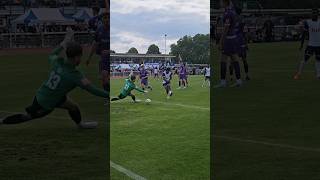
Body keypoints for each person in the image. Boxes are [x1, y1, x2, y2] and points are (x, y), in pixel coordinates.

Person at [0, 30, 109, 129]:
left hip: (54, 96)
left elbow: (52, 54)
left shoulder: (58, 63)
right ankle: (2, 121)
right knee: (27, 117)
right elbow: (93, 90)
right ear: (76, 57)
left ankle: (80, 125)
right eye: (80, 56)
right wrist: (110, 95)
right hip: (45, 101)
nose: (81, 59)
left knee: (73, 107)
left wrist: (64, 42)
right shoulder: (74, 76)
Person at [214, 0, 242, 88]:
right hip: (233, 38)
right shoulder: (231, 12)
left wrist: (221, 41)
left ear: (224, 2)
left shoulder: (228, 13)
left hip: (228, 39)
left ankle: (223, 82)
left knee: (223, 59)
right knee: (235, 59)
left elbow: (226, 28)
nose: (220, 3)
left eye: (221, 1)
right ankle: (238, 81)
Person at [87, 13, 110, 99]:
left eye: (108, 18)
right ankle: (108, 96)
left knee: (108, 78)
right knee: (104, 77)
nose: (106, 20)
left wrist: (109, 51)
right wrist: (89, 57)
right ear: (102, 20)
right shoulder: (99, 30)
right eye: (105, 18)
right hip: (104, 58)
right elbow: (95, 44)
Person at [294, 8, 320, 79]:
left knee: (318, 60)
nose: (314, 15)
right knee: (305, 59)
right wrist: (301, 45)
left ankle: (318, 75)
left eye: (315, 13)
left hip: (319, 45)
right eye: (313, 13)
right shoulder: (308, 22)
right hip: (311, 45)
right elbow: (304, 34)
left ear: (318, 14)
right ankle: (298, 74)